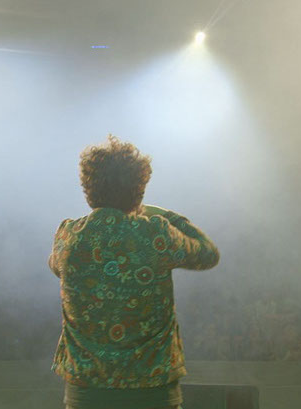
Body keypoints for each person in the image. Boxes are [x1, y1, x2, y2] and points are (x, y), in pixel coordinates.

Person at [48, 135, 220, 409]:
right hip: (153, 394)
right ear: (139, 189)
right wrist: (163, 214)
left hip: (86, 395)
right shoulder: (156, 234)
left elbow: (56, 266)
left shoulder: (67, 237)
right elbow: (208, 253)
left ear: (88, 187)